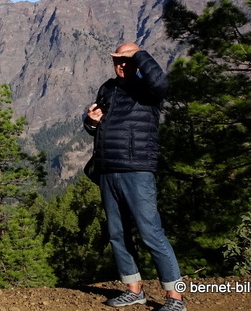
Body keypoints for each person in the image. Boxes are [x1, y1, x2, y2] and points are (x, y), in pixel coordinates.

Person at [84, 42, 186, 311]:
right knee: (117, 234)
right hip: (107, 170)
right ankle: (134, 290)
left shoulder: (148, 88)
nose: (121, 64)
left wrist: (138, 55)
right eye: (118, 59)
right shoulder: (108, 87)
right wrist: (91, 122)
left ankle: (175, 298)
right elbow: (97, 126)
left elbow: (161, 82)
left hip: (137, 170)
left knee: (151, 233)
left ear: (137, 61)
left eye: (127, 60)